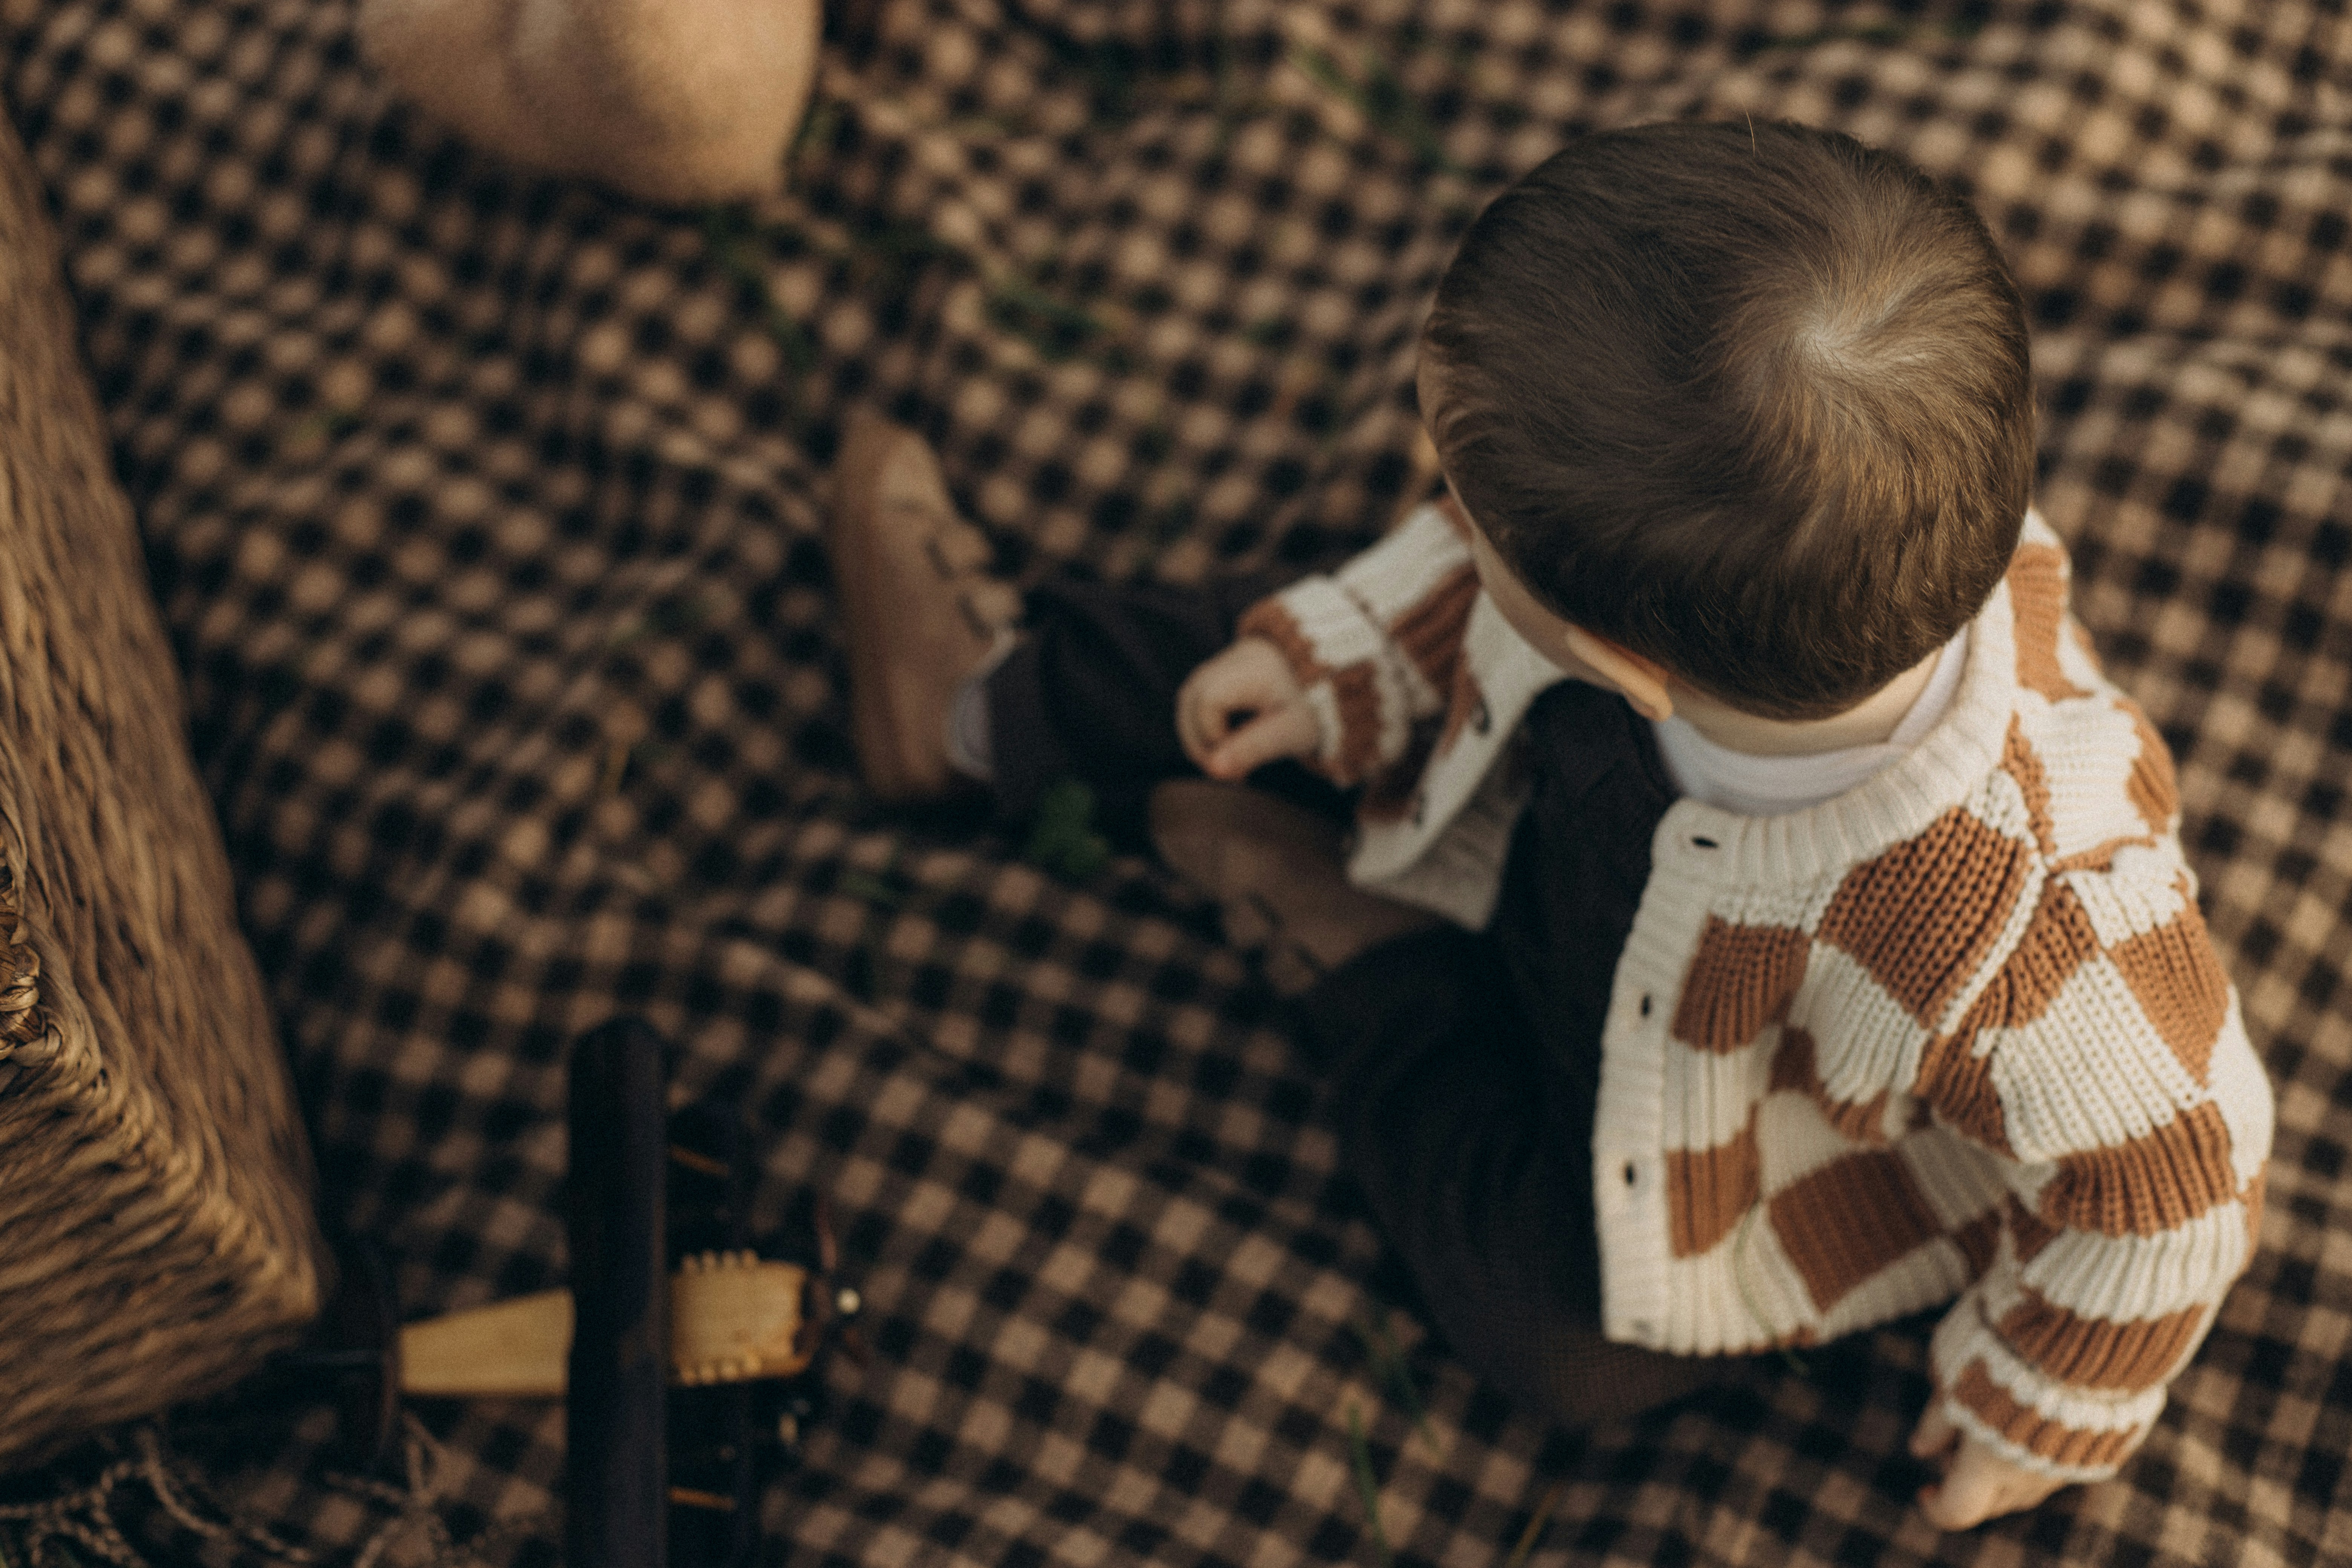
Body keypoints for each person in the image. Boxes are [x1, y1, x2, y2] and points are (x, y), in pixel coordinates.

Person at [825, 120, 2273, 1531]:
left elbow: (2176, 1189)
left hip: (1721, 1116)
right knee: (1261, 646)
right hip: (1549, 779)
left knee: (1563, 1344)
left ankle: (1366, 957)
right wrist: (1335, 658)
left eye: (1463, 497)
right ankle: (982, 709)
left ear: (1624, 660)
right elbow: (1473, 579)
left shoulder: (2029, 922)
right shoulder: (1828, 534)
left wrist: (2038, 1401)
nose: (1445, 506)